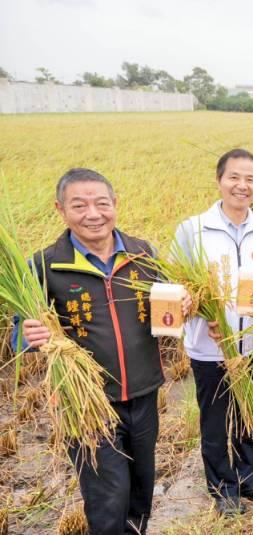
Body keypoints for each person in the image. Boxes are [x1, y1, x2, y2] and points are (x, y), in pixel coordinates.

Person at [20, 168, 189, 534]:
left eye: (101, 203)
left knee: (141, 492)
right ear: (60, 209)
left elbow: (168, 304)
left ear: (115, 204)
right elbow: (21, 332)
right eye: (79, 205)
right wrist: (28, 334)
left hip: (144, 394)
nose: (93, 214)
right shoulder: (46, 265)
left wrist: (184, 303)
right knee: (109, 496)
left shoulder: (143, 253)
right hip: (88, 404)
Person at [174, 148, 253, 516]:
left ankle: (248, 478)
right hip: (210, 347)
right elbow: (177, 285)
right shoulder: (192, 230)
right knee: (217, 420)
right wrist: (196, 309)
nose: (242, 185)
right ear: (219, 180)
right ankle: (221, 487)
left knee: (250, 416)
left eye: (250, 179)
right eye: (234, 177)